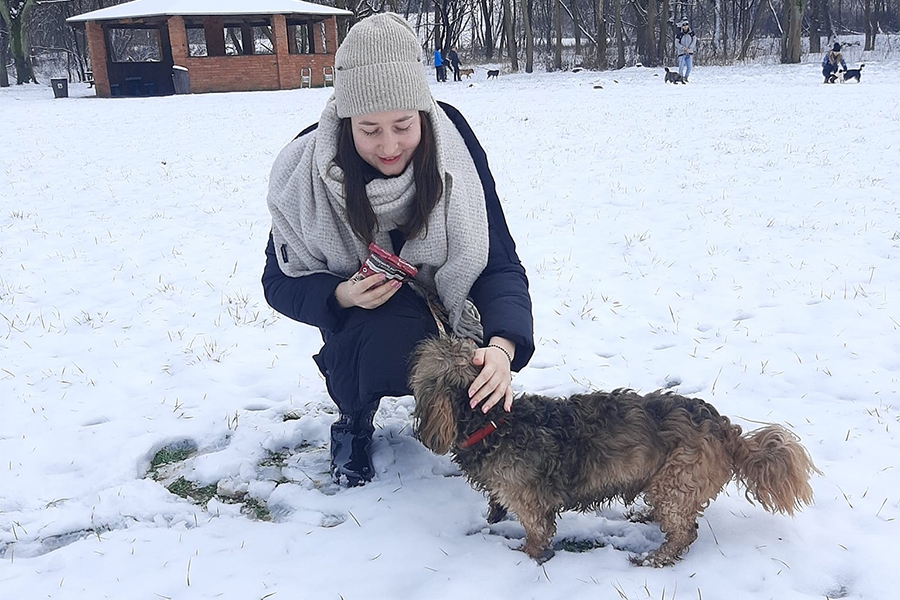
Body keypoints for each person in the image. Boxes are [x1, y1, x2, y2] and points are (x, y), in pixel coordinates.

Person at [263, 13, 535, 487]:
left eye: (403, 125)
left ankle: (456, 409)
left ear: (423, 113)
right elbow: (277, 281)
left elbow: (499, 261)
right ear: (346, 121)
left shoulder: (455, 146)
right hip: (364, 324)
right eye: (369, 129)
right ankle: (354, 418)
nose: (389, 146)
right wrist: (341, 296)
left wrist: (502, 346)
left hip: (446, 311)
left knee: (459, 352)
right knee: (381, 331)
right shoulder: (304, 169)